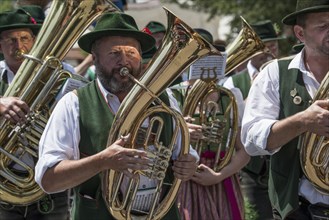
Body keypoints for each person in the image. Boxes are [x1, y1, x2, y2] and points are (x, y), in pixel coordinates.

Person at [35, 12, 199, 220]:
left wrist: (189, 164)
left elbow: (186, 154)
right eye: (114, 53)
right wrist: (102, 161)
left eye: (131, 52)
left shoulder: (165, 101)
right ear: (95, 59)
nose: (124, 62)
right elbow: (48, 179)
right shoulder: (73, 103)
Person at [241, 0, 329, 219]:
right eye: (323, 26)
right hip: (300, 209)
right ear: (300, 33)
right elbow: (252, 141)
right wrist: (302, 121)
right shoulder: (275, 73)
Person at [0, 8, 69, 220]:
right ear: (0, 45)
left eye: (24, 38)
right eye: (10, 40)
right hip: (4, 181)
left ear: (34, 41)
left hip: (50, 184)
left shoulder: (60, 72)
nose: (19, 46)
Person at [173, 28, 250, 220]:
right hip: (183, 181)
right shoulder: (171, 96)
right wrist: (180, 133)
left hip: (221, 178)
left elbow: (244, 151)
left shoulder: (230, 97)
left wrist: (219, 175)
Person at [223, 19, 284, 220]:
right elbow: (233, 128)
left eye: (273, 45)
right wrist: (253, 99)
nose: (269, 51)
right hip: (252, 171)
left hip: (284, 165)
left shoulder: (287, 74)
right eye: (262, 47)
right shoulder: (234, 82)